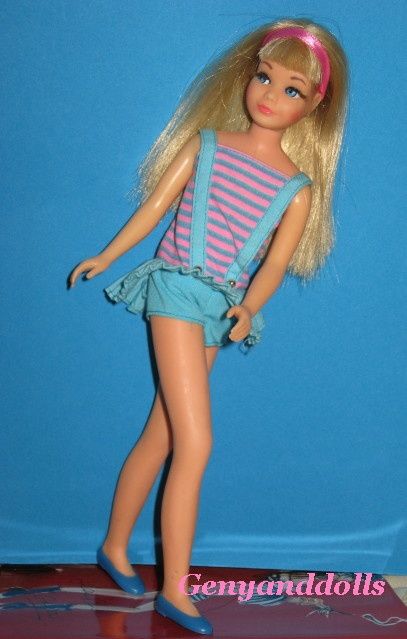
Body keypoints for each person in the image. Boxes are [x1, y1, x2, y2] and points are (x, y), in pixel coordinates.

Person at [68, 17, 348, 635]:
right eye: (264, 77)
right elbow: (155, 209)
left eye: (292, 89)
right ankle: (175, 588)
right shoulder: (208, 145)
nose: (270, 95)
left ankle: (113, 546)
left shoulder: (296, 188)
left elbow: (273, 264)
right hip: (174, 288)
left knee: (164, 433)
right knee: (197, 443)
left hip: (219, 308)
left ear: (313, 105)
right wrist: (108, 256)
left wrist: (248, 307)